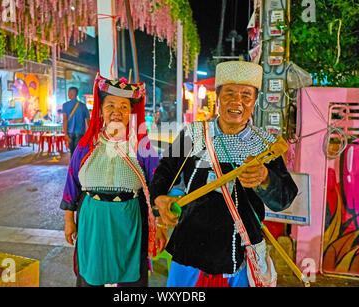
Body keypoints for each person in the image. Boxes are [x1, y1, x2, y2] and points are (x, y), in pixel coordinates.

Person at [149, 61, 298, 287]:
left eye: (246, 95)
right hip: (190, 249)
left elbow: (285, 198)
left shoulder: (266, 146)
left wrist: (265, 178)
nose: (237, 101)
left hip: (240, 253)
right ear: (217, 97)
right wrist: (158, 198)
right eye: (229, 93)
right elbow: (165, 170)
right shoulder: (193, 133)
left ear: (255, 101)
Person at [60, 73, 164, 287]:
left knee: (131, 278)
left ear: (131, 113)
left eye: (124, 107)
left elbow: (158, 185)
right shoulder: (86, 144)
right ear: (101, 110)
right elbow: (72, 184)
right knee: (91, 275)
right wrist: (69, 221)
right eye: (111, 106)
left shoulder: (141, 146)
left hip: (128, 220)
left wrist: (160, 223)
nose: (117, 111)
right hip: (93, 219)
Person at [62, 87, 90, 156]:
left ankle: (73, 166)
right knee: (78, 153)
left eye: (68, 92)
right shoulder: (83, 106)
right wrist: (89, 134)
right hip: (80, 133)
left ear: (71, 93)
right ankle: (78, 166)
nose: (68, 94)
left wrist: (65, 134)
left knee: (72, 152)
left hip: (70, 133)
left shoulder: (65, 105)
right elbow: (88, 121)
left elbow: (65, 120)